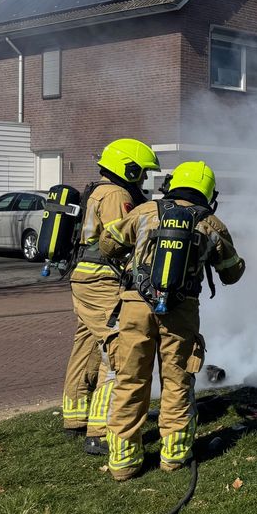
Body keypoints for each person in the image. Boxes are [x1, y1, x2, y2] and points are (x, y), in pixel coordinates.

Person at [99, 161, 244, 480]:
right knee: (178, 382)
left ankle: (124, 462)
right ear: (208, 192)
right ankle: (175, 456)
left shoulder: (145, 211)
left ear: (173, 183)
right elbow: (232, 273)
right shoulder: (212, 223)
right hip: (181, 312)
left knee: (130, 380)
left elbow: (107, 244)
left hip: (135, 305)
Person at [60, 139, 159, 455]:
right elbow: (118, 241)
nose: (142, 180)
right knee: (118, 348)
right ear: (127, 167)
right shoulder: (117, 195)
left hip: (84, 279)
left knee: (87, 346)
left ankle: (75, 417)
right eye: (141, 173)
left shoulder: (97, 190)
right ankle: (101, 430)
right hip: (103, 281)